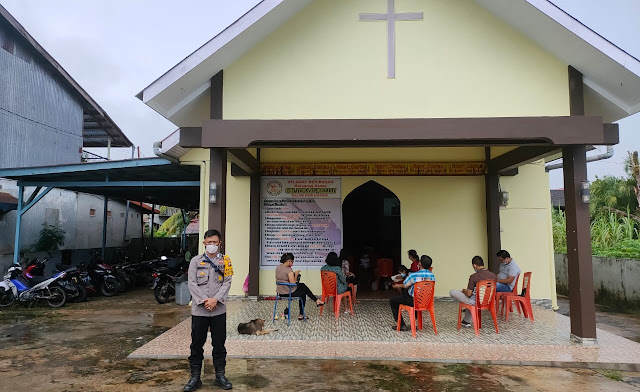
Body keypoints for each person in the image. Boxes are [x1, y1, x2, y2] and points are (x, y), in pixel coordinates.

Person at [184, 229, 233, 391]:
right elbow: (192, 283)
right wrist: (205, 300)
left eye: (215, 242)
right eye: (209, 242)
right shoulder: (195, 261)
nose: (212, 245)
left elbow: (227, 282)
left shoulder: (226, 261)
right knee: (196, 344)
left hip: (218, 309)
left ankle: (220, 376)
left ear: (220, 243)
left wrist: (215, 300)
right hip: (200, 310)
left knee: (219, 344)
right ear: (204, 243)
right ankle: (195, 377)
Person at [389, 255, 436, 331]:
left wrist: (397, 285)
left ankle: (401, 325)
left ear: (420, 264)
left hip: (414, 301)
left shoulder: (414, 275)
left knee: (393, 301)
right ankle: (416, 317)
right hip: (427, 302)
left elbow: (405, 285)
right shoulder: (432, 276)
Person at [449, 256, 497, 328]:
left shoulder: (474, 276)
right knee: (469, 296)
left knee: (452, 291)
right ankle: (466, 321)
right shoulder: (493, 275)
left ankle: (467, 321)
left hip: (475, 302)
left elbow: (468, 294)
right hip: (488, 301)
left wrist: (464, 291)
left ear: (474, 265)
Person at [275, 253, 324, 320]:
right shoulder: (289, 270)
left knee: (302, 285)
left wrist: (293, 274)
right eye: (292, 262)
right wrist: (296, 274)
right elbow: (293, 283)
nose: (292, 264)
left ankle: (316, 300)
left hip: (280, 292)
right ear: (289, 260)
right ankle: (302, 314)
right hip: (288, 293)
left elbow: (283, 278)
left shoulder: (279, 267)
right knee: (303, 293)